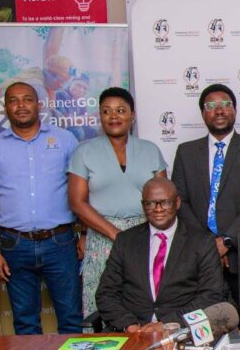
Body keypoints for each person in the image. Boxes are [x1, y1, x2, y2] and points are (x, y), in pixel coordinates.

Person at [0, 82, 80, 334]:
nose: (21, 105)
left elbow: (81, 192)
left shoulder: (65, 140)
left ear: (38, 104)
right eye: (13, 100)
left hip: (60, 242)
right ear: (6, 107)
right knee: (25, 323)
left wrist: (84, 233)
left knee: (72, 319)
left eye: (27, 99)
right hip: (15, 244)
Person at [68, 87, 167, 319]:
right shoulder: (84, 152)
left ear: (132, 115)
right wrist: (116, 234)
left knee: (146, 299)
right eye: (107, 111)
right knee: (101, 305)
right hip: (103, 237)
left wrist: (137, 236)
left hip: (146, 235)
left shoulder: (150, 150)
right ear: (100, 116)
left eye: (121, 110)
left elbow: (164, 198)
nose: (114, 116)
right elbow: (77, 202)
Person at [172, 84, 240, 302]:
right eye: (211, 106)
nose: (219, 110)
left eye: (226, 104)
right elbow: (180, 201)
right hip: (196, 254)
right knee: (198, 316)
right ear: (202, 113)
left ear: (235, 110)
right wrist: (208, 246)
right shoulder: (186, 152)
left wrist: (226, 241)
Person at [95, 178, 227, 332]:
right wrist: (129, 325)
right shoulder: (125, 241)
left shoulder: (201, 242)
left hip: (180, 331)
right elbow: (106, 293)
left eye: (165, 202)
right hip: (133, 332)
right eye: (150, 203)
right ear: (143, 205)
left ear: (177, 203)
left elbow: (211, 295)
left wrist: (166, 324)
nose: (158, 209)